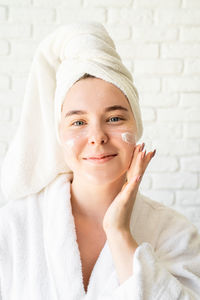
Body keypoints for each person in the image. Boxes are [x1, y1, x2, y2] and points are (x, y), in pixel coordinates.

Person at [0, 21, 200, 300]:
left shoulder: (176, 234)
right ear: (59, 133)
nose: (97, 137)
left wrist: (119, 234)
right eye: (79, 122)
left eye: (114, 118)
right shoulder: (12, 227)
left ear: (137, 125)